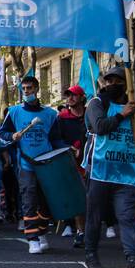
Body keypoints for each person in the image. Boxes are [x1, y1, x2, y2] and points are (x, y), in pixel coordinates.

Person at [81, 67, 135, 268]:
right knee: (95, 216)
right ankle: (91, 254)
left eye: (118, 81)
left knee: (127, 217)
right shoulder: (96, 104)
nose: (112, 84)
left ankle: (132, 259)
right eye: (109, 80)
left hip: (127, 174)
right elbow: (100, 127)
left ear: (125, 84)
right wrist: (121, 115)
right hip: (100, 171)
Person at [0, 75, 62, 254]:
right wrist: (12, 136)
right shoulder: (14, 112)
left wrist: (69, 149)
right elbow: (2, 133)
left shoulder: (50, 114)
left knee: (46, 203)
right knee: (29, 200)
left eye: (30, 88)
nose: (27, 91)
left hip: (47, 164)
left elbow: (56, 139)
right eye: (24, 88)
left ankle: (41, 233)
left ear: (36, 89)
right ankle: (32, 239)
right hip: (26, 165)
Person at [54, 86, 89, 245]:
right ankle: (80, 231)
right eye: (68, 95)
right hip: (72, 162)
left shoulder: (91, 115)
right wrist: (69, 148)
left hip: (93, 162)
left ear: (82, 97)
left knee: (93, 198)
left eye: (74, 95)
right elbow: (55, 139)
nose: (70, 98)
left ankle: (94, 228)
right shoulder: (61, 118)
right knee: (77, 197)